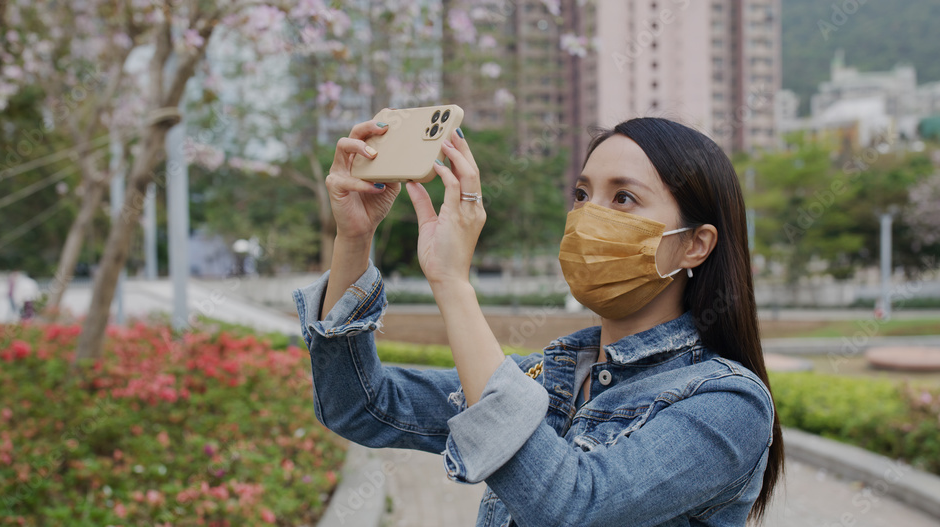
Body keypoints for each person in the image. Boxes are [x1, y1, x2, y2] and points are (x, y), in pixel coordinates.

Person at [293, 117, 784, 526]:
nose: (589, 216)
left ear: (695, 243)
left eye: (623, 199)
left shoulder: (728, 404)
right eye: (582, 194)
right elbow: (362, 405)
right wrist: (353, 240)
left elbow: (569, 506)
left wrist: (452, 283)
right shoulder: (544, 379)